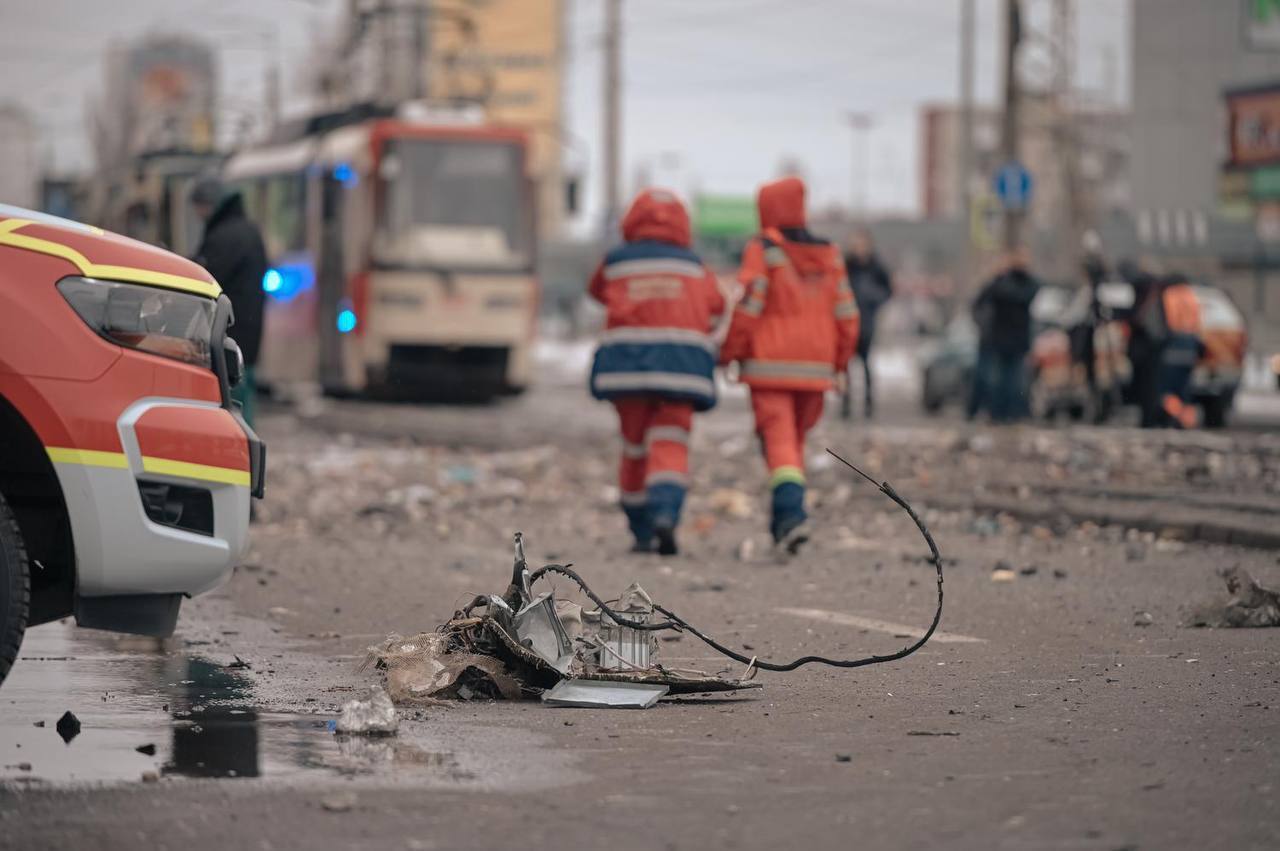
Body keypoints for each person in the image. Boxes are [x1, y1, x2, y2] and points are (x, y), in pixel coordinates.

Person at [720, 176, 859, 557]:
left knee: (780, 444)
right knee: (793, 445)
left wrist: (731, 351)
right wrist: (839, 363)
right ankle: (783, 524)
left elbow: (749, 307)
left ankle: (791, 516)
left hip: (770, 368)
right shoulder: (829, 254)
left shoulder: (763, 250)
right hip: (817, 370)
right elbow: (847, 315)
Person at [588, 188, 725, 556]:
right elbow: (716, 308)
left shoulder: (616, 261)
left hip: (626, 371)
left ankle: (640, 528)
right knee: (669, 443)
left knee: (634, 448)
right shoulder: (695, 266)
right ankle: (665, 513)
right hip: (681, 373)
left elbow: (597, 291)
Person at [192, 177, 268, 426]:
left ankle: (240, 445)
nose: (198, 214)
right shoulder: (249, 230)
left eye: (199, 206)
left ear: (210, 204)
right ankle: (247, 441)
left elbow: (204, 276)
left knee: (232, 398)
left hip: (229, 330)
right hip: (250, 326)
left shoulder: (224, 237)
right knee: (244, 393)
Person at [969, 247, 1040, 423]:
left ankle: (1009, 413)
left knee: (1013, 380)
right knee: (1000, 380)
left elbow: (1026, 294)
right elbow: (980, 303)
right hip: (1001, 340)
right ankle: (1000, 413)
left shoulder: (1021, 284)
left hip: (1013, 340)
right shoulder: (1003, 284)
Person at [1132, 272, 1203, 428]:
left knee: (1166, 390)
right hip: (1190, 347)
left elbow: (1165, 323)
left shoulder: (1169, 295)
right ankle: (1186, 419)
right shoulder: (1191, 295)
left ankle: (1177, 418)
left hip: (1173, 346)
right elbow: (1198, 321)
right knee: (1184, 389)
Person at [841, 229, 892, 419]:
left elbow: (888, 290)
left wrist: (874, 300)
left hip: (867, 322)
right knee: (846, 366)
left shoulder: (876, 267)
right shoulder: (846, 266)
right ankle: (846, 404)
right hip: (848, 322)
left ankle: (868, 404)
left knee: (866, 364)